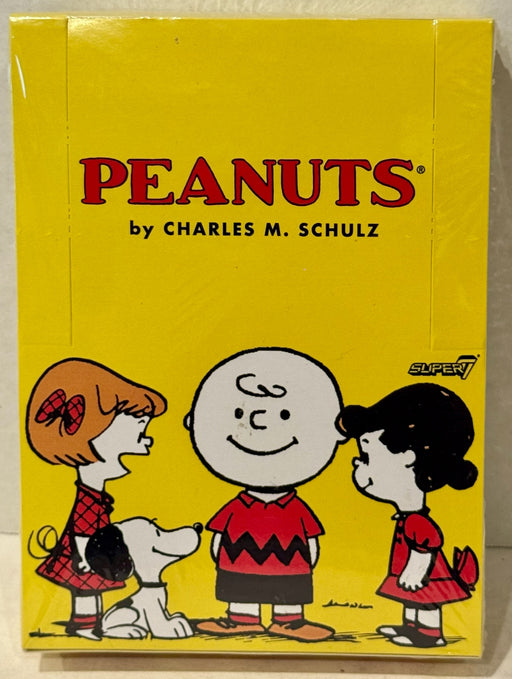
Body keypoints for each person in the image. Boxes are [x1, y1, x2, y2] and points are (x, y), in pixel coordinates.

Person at [185, 347, 345, 642]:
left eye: (284, 414)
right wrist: (219, 553)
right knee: (240, 589)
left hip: (289, 566)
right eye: (240, 414)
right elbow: (219, 535)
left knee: (288, 592)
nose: (258, 422)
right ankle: (241, 619)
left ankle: (289, 621)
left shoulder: (295, 508)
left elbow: (310, 538)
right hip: (238, 562)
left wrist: (309, 559)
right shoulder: (238, 506)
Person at [27, 358, 166, 639]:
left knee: (88, 589)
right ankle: (85, 626)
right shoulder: (90, 498)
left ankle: (88, 624)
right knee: (86, 588)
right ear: (88, 429)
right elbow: (83, 530)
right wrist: (86, 558)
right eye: (137, 424)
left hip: (90, 550)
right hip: (86, 553)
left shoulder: (95, 495)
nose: (145, 433)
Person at [340, 383, 479, 648]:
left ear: (407, 457)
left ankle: (428, 634)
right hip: (413, 570)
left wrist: (416, 572)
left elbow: (428, 545)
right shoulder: (407, 518)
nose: (357, 463)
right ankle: (411, 627)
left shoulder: (417, 521)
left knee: (426, 599)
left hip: (426, 574)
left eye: (366, 456)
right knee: (413, 599)